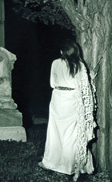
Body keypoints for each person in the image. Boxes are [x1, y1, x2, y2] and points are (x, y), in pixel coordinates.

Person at [38, 39, 96, 181]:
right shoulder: (80, 65)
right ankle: (70, 166)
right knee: (71, 133)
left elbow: (52, 83)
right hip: (72, 100)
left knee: (55, 132)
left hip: (58, 98)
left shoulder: (56, 63)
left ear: (62, 51)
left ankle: (52, 162)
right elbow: (85, 87)